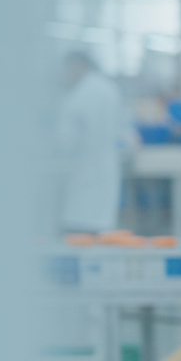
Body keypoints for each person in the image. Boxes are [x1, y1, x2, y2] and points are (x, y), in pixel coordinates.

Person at [55, 51, 133, 234]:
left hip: (82, 169)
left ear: (78, 65)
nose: (65, 75)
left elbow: (65, 140)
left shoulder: (78, 95)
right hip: (107, 167)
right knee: (101, 230)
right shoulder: (110, 89)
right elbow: (126, 132)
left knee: (79, 228)